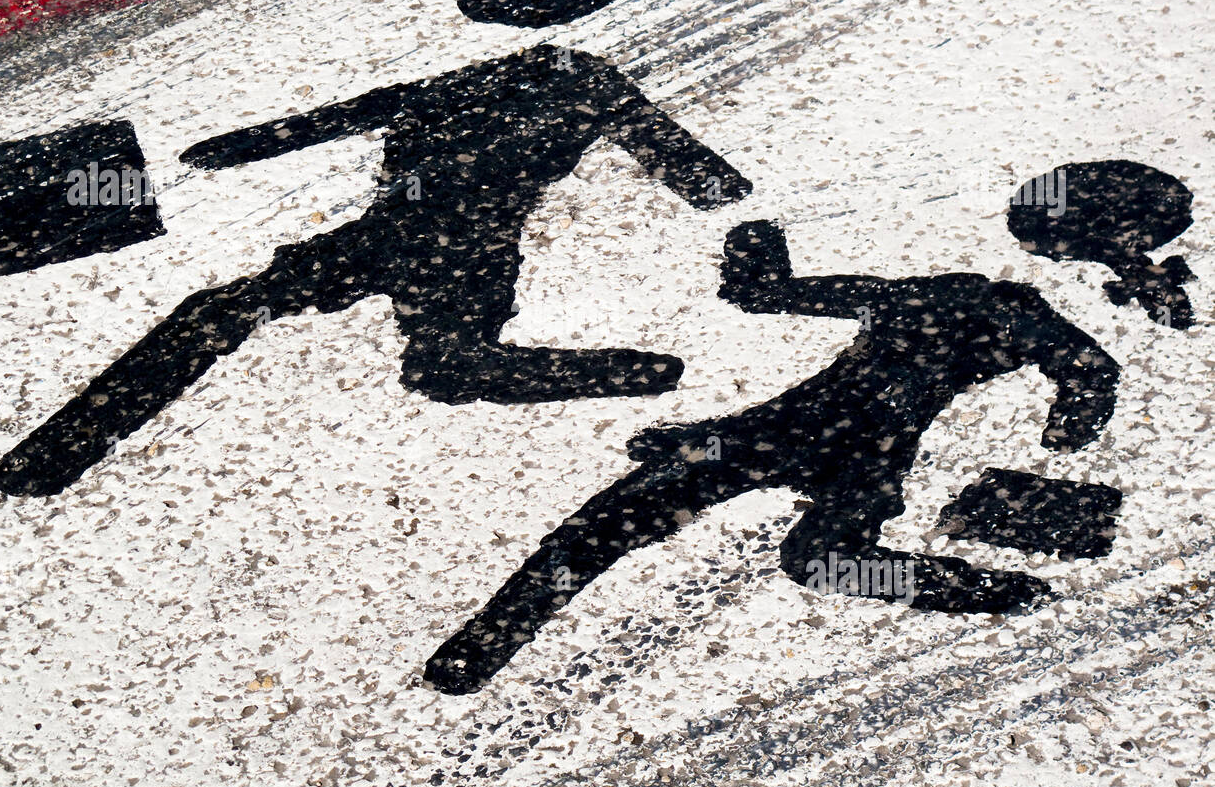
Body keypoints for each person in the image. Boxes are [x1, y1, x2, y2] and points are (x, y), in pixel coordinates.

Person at [0, 0, 751, 497]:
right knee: (382, 350)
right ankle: (57, 452)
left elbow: (345, 116)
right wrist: (228, 148)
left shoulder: (556, 81)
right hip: (427, 240)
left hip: (439, 242)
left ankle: (636, 371)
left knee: (404, 357)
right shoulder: (556, 80)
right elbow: (689, 167)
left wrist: (231, 149)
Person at [425, 218, 1121, 694]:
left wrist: (754, 245)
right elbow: (1090, 367)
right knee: (813, 555)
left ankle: (484, 643)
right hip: (857, 446)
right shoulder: (1000, 311)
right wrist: (1065, 428)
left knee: (610, 521)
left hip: (795, 430)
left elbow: (765, 294)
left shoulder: (906, 296)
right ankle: (991, 590)